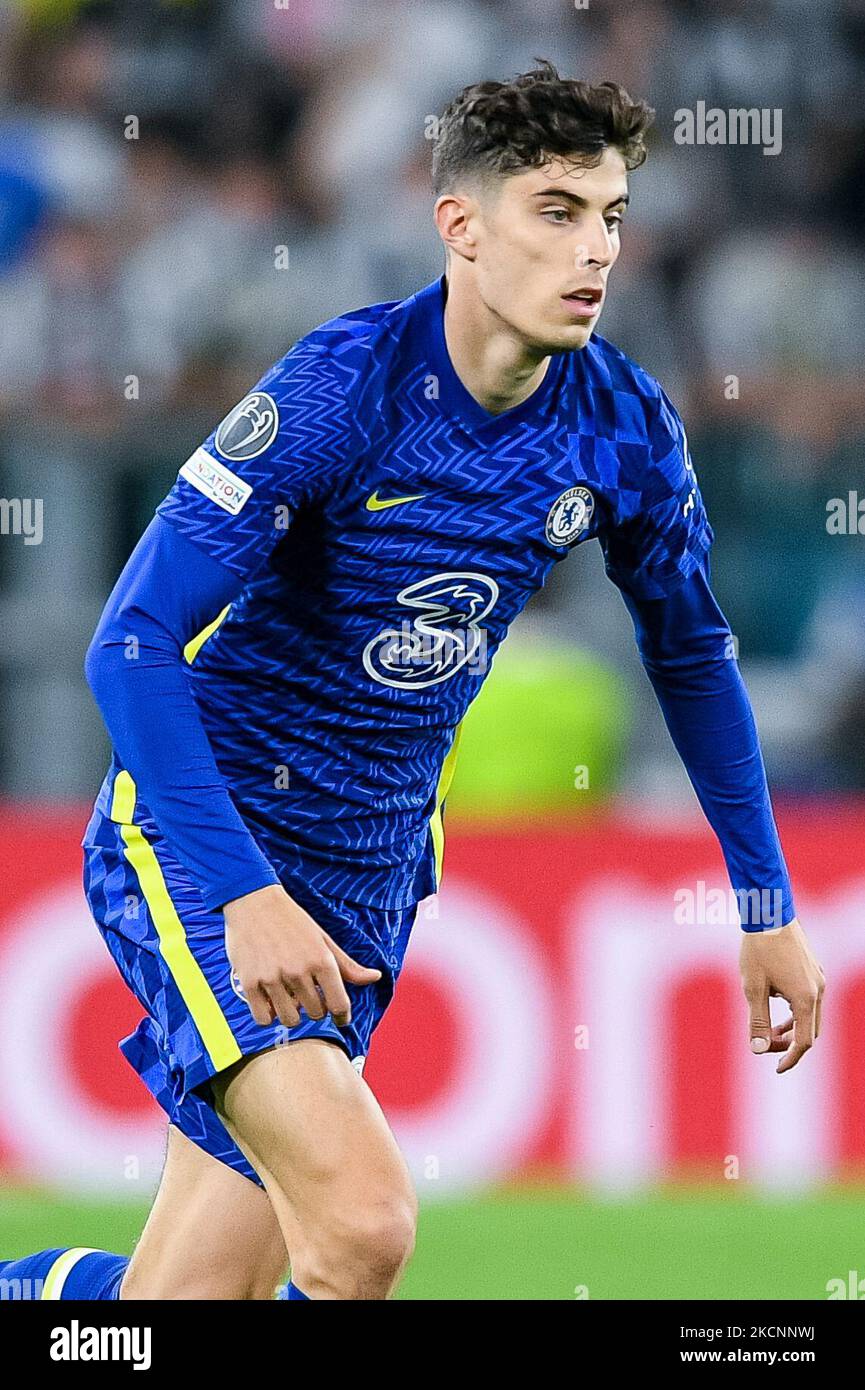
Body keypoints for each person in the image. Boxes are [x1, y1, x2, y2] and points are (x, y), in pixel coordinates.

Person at [2, 61, 824, 1303]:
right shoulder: (345, 390)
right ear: (461, 226)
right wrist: (244, 896)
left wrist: (765, 902)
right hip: (207, 837)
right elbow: (127, 643)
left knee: (177, 1308)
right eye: (555, 210)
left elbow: (691, 653)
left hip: (371, 869)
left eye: (608, 214)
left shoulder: (622, 426)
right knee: (366, 1228)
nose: (594, 248)